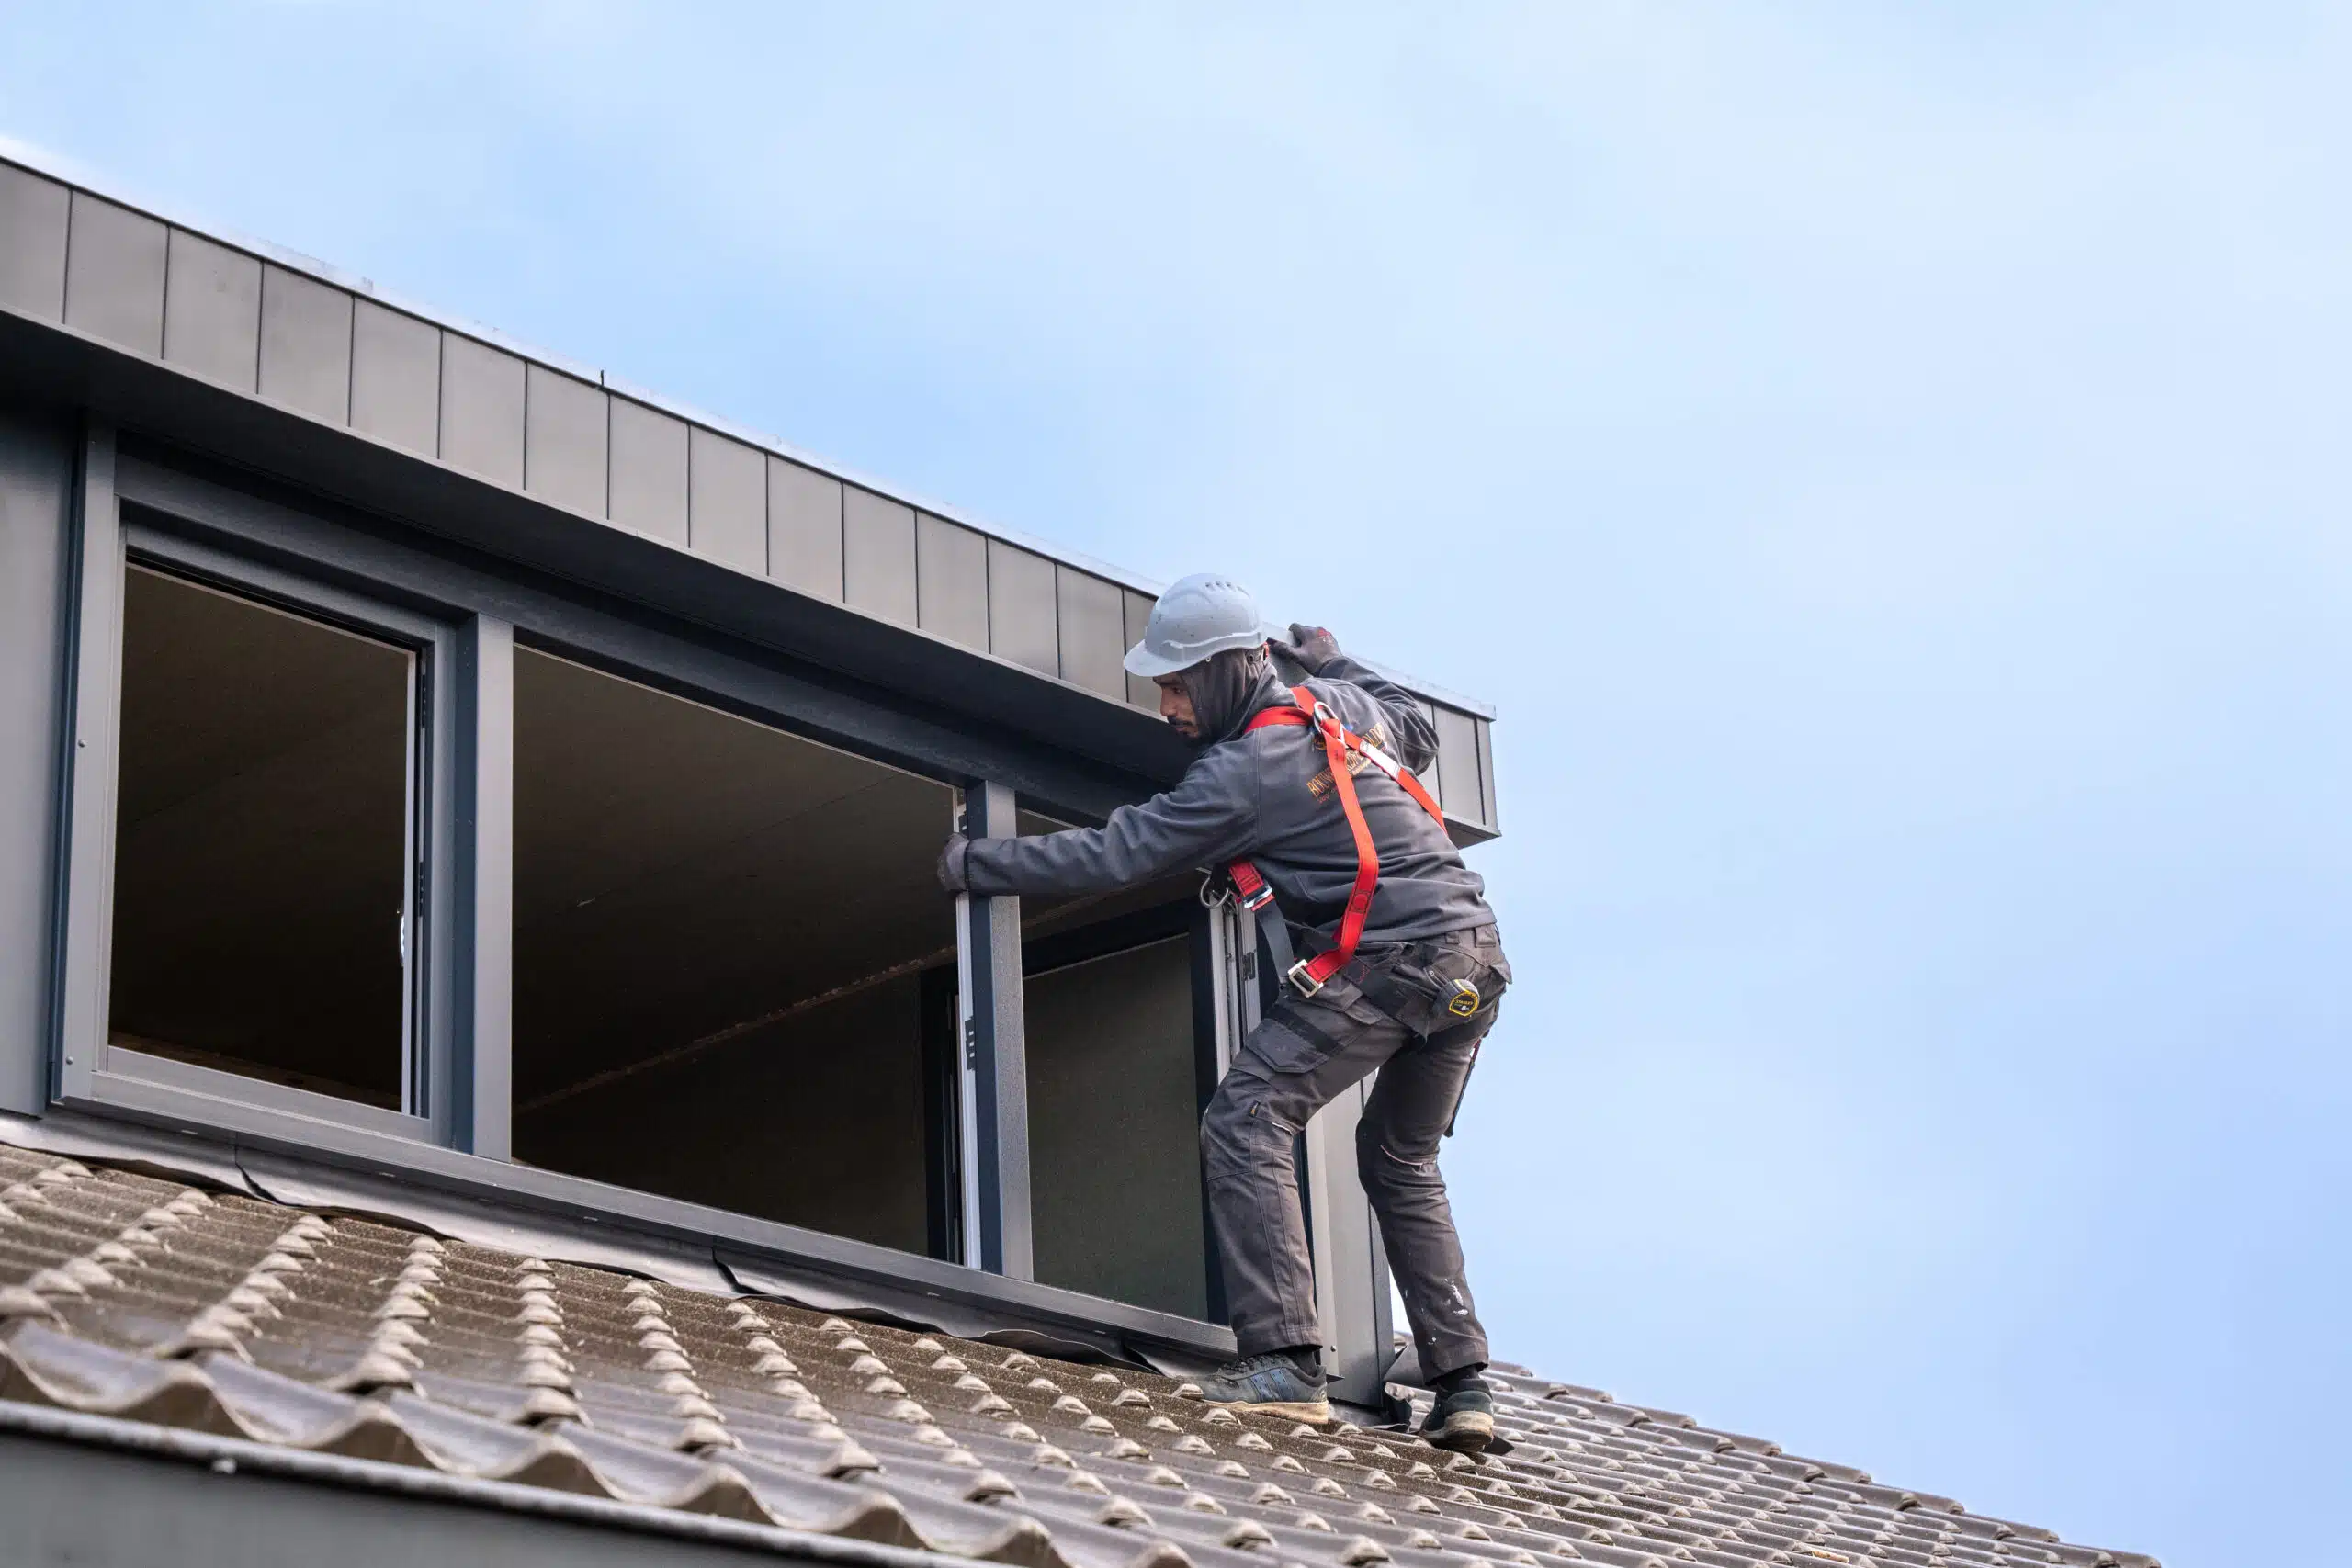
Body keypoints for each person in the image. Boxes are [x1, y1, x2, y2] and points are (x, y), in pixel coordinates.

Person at [935, 572, 1510, 1453]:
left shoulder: (1243, 772)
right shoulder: (1336, 704)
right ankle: (1465, 1386)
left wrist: (979, 863)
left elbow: (1119, 851)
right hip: (1474, 958)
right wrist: (1335, 657)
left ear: (1234, 669)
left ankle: (1282, 1363)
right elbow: (1416, 726)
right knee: (1398, 1158)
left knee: (1246, 1118)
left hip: (1396, 961)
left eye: (1177, 682)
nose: (1166, 705)